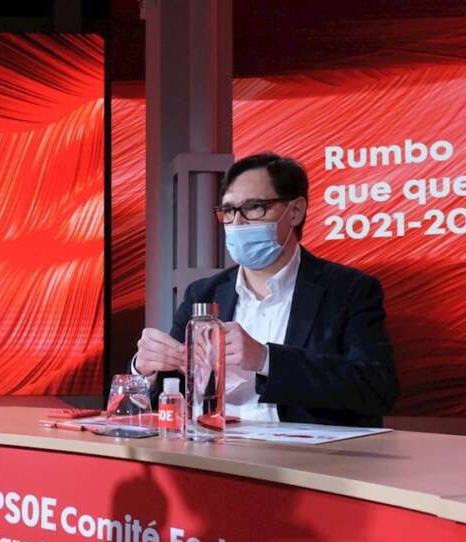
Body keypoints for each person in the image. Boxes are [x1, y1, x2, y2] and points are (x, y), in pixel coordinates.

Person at [132, 152, 398, 427]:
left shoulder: (348, 290)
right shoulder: (203, 293)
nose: (237, 223)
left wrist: (266, 359)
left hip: (299, 450)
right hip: (209, 445)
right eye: (229, 211)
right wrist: (145, 369)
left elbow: (377, 388)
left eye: (254, 207)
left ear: (295, 211)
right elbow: (167, 393)